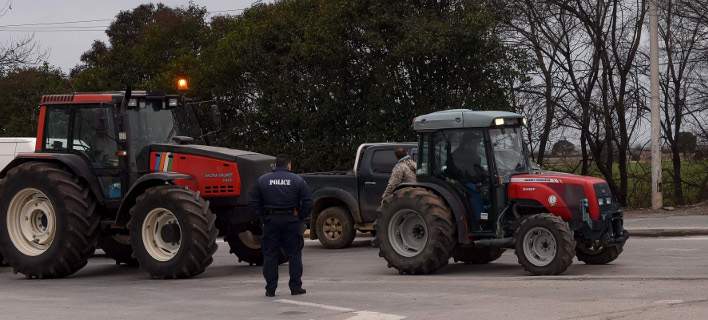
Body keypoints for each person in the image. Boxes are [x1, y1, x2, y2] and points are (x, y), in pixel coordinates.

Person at [249, 154, 313, 297]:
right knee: (294, 254)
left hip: (271, 221)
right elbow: (308, 201)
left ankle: (270, 289)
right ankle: (295, 287)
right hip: (291, 220)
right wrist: (300, 217)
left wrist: (263, 217)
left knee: (270, 255)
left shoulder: (263, 180)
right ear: (288, 165)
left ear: (275, 165)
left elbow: (253, 201)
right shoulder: (297, 180)